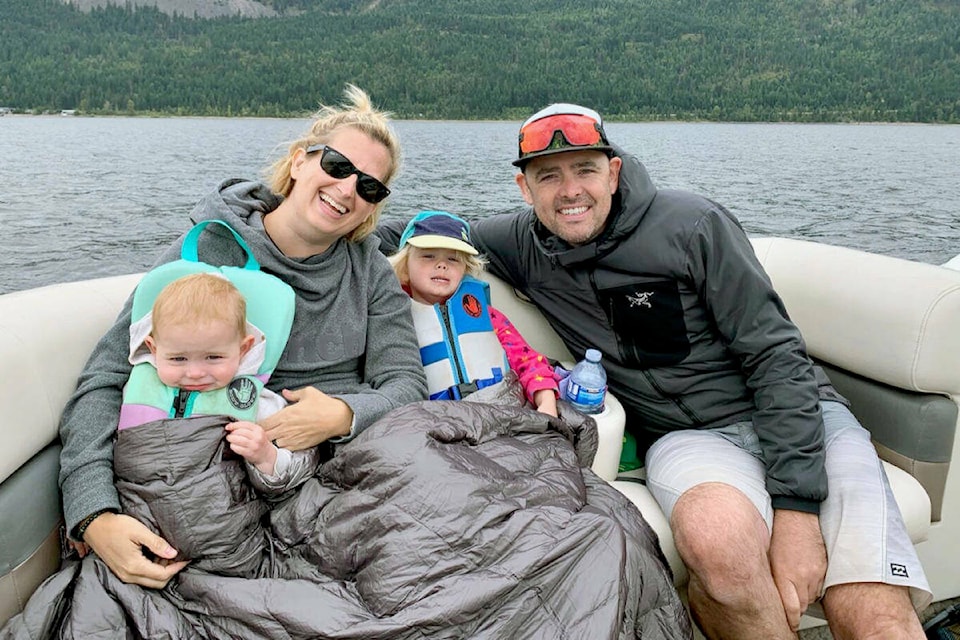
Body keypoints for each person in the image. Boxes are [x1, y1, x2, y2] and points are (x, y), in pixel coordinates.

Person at [377, 103, 932, 639]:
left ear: (613, 171)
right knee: (721, 556)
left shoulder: (693, 225)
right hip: (686, 438)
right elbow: (417, 234)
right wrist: (307, 209)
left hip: (801, 416)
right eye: (548, 177)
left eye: (585, 170)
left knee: (870, 610)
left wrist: (796, 508)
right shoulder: (519, 242)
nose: (569, 191)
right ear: (525, 189)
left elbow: (776, 357)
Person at [58, 84, 427, 589]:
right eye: (338, 166)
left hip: (345, 468)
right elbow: (107, 379)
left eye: (370, 187)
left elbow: (406, 384)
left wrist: (340, 417)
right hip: (216, 480)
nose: (348, 190)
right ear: (300, 162)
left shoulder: (371, 273)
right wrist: (93, 514)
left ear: (372, 208)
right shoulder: (211, 248)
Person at [387, 210, 559, 416]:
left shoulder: (489, 317)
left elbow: (528, 362)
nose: (441, 264)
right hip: (432, 419)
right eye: (428, 256)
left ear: (465, 270)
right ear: (404, 267)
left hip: (501, 408)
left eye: (453, 259)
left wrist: (546, 402)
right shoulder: (395, 319)